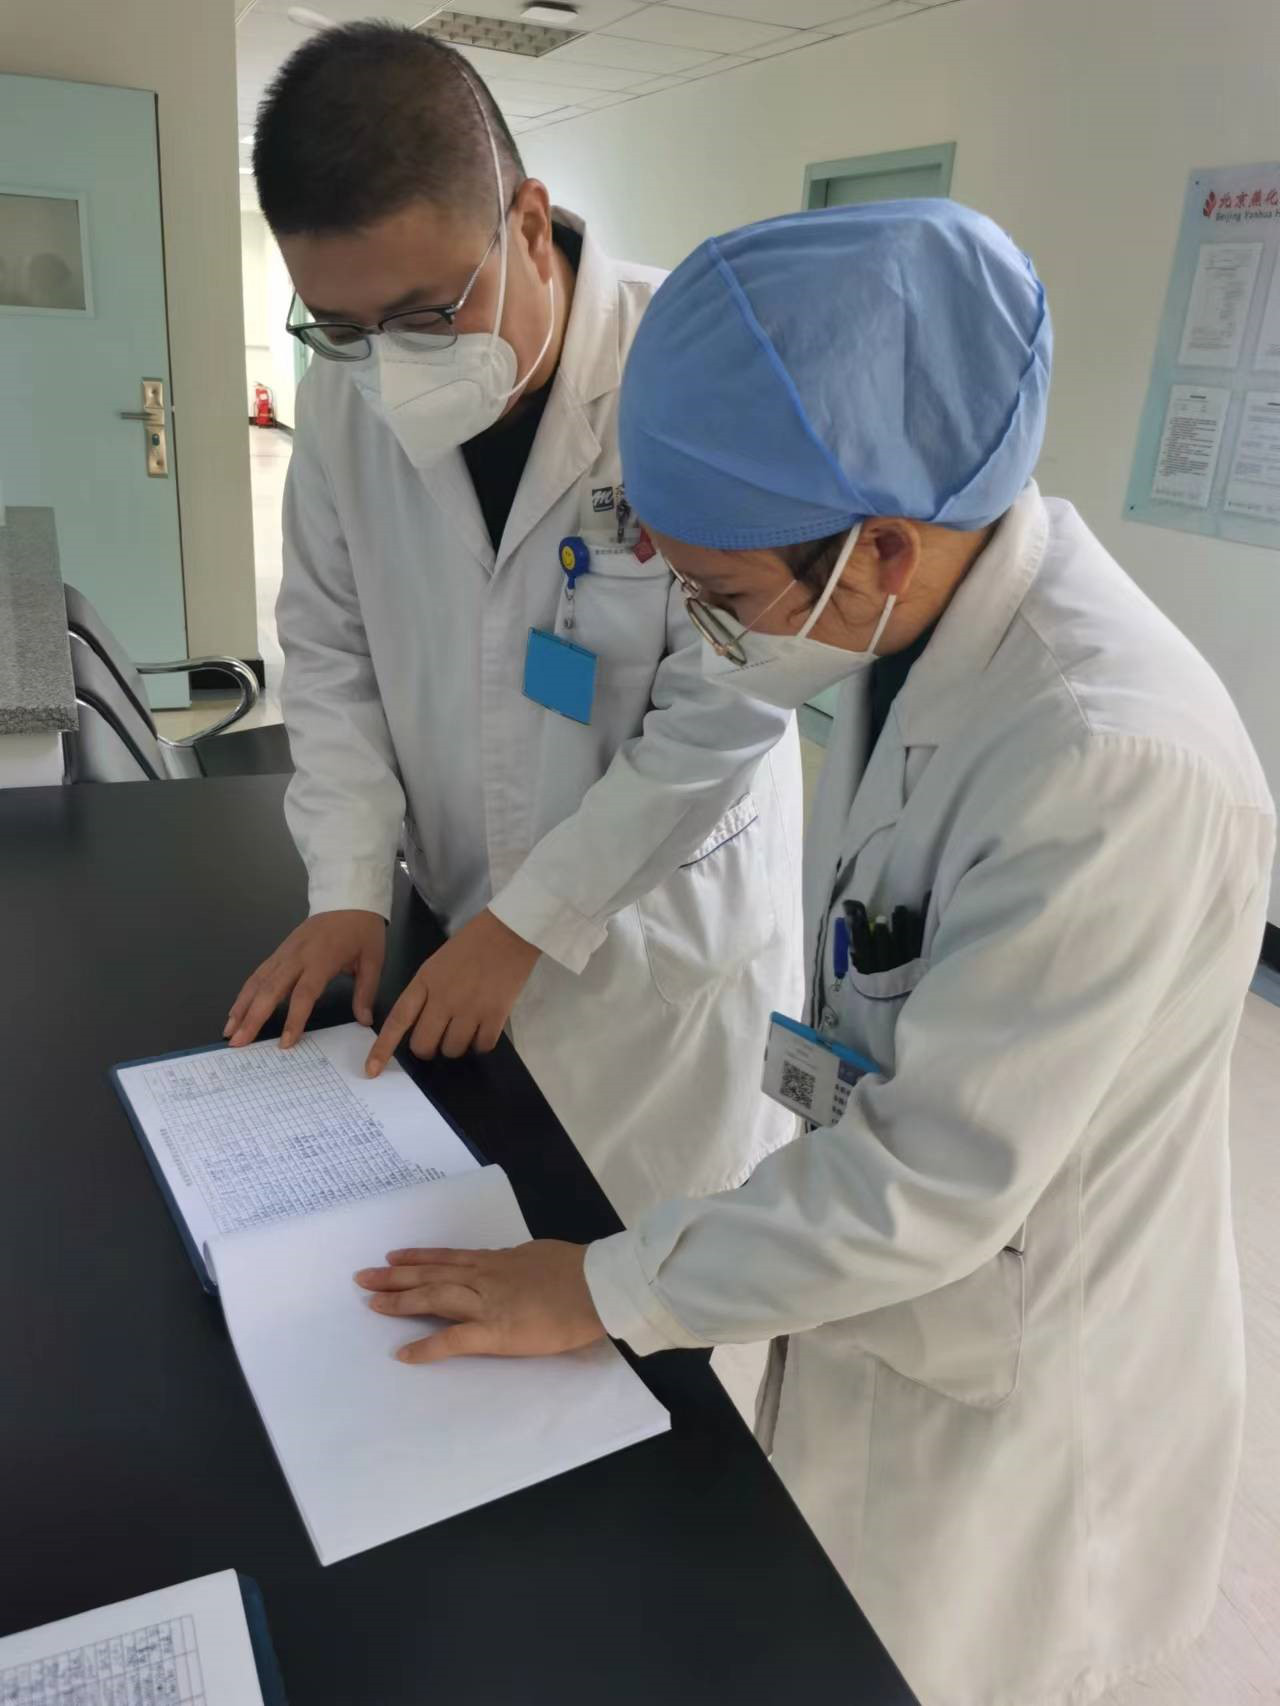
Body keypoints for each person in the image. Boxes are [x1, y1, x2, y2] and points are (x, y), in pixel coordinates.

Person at [353, 203, 1275, 1706]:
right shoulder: (911, 636)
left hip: (1030, 1401)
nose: (708, 639)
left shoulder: (1110, 763)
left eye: (721, 603)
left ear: (882, 547)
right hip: (887, 1322)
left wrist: (593, 1287)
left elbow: (928, 1184)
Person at [228, 25, 804, 1222]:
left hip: (655, 958)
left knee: (663, 1268)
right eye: (342, 326)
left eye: (426, 314)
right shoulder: (342, 398)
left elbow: (729, 700)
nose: (389, 367)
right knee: (479, 1235)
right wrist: (347, 885)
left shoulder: (693, 374)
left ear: (529, 224)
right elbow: (330, 655)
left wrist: (533, 921)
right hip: (451, 915)